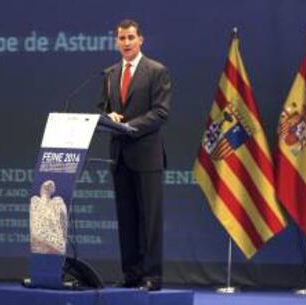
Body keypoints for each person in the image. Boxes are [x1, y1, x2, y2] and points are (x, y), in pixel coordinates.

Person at [98, 19, 171, 291]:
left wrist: (128, 126)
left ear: (141, 40)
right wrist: (108, 117)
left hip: (147, 157)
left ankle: (152, 276)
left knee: (149, 220)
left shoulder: (156, 71)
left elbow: (161, 112)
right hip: (119, 156)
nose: (126, 43)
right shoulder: (110, 74)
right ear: (116, 42)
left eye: (131, 37)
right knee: (126, 218)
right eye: (121, 38)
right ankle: (131, 274)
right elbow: (101, 109)